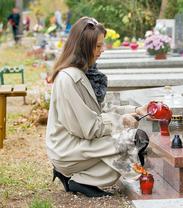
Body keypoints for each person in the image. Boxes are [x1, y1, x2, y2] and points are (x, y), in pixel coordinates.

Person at [46, 17, 149, 197]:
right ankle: (73, 174)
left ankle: (77, 180)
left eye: (102, 45)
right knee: (133, 141)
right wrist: (121, 122)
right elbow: (89, 128)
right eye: (98, 46)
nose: (102, 50)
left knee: (127, 151)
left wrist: (134, 111)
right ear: (83, 46)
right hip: (68, 147)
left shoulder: (85, 73)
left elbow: (99, 111)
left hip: (78, 141)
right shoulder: (69, 79)